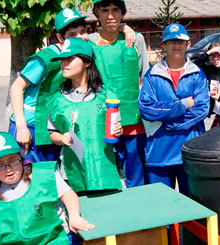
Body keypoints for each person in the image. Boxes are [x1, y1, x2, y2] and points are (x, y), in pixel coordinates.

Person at [9, 8, 135, 164]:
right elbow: (16, 87)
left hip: (56, 128)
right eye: (72, 35)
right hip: (31, 128)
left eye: (83, 32)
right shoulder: (45, 59)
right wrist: (21, 127)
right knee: (33, 180)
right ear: (60, 38)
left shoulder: (84, 54)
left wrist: (122, 27)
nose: (80, 38)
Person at [0, 132, 94, 244]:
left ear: (20, 157)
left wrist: (74, 216)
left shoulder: (44, 175)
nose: (9, 169)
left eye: (13, 160)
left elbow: (68, 194)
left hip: (55, 239)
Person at [138, 23, 209, 195]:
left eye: (180, 41)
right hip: (159, 148)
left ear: (188, 45)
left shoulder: (197, 74)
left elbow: (202, 108)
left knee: (193, 203)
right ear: (163, 45)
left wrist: (169, 123)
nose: (176, 45)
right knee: (162, 203)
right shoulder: (152, 75)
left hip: (189, 148)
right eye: (171, 41)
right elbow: (146, 108)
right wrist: (181, 106)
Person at [48, 37, 124, 195]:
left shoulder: (106, 95)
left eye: (70, 59)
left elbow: (116, 126)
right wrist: (61, 138)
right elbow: (52, 133)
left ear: (87, 62)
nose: (64, 64)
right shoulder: (57, 100)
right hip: (73, 173)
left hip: (104, 170)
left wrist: (118, 130)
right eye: (62, 59)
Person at [89, 0, 150, 188]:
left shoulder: (135, 38)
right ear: (97, 14)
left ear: (122, 13)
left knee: (137, 175)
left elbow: (146, 76)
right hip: (102, 119)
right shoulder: (89, 42)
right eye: (104, 10)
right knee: (107, 175)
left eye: (115, 10)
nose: (110, 16)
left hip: (133, 118)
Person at [192, 42, 220, 127]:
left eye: (219, 55)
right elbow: (193, 66)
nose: (216, 59)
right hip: (218, 113)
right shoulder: (210, 70)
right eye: (213, 56)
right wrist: (208, 53)